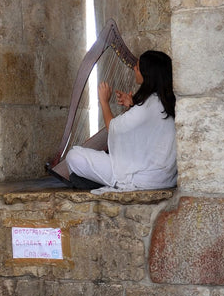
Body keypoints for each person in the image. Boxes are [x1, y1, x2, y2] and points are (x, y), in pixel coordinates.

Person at [65, 50, 177, 191]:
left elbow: (112, 127)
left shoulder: (146, 107)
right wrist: (132, 105)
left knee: (74, 156)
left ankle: (106, 181)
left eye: (137, 67)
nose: (134, 69)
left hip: (142, 179)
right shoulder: (166, 101)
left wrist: (104, 101)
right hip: (166, 178)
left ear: (147, 74)